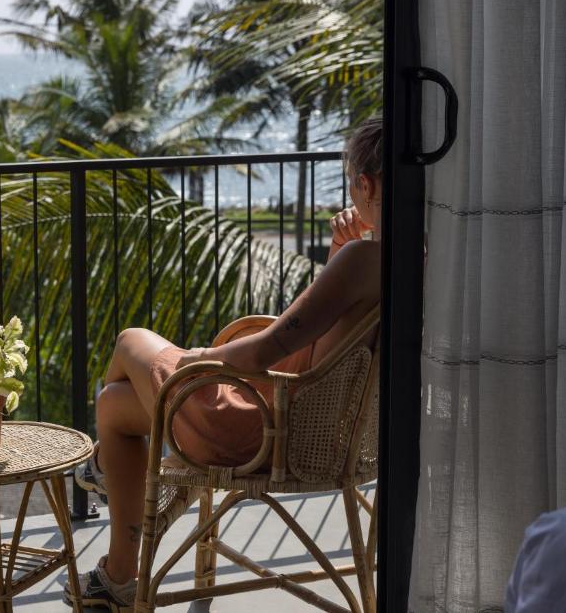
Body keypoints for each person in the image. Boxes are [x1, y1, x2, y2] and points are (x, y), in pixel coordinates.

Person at [66, 119, 384, 610]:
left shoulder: (366, 259)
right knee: (114, 405)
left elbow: (265, 351)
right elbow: (329, 343)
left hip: (263, 434)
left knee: (131, 340)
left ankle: (105, 473)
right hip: (316, 427)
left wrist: (200, 359)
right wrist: (342, 250)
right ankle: (118, 578)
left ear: (365, 185)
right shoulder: (419, 256)